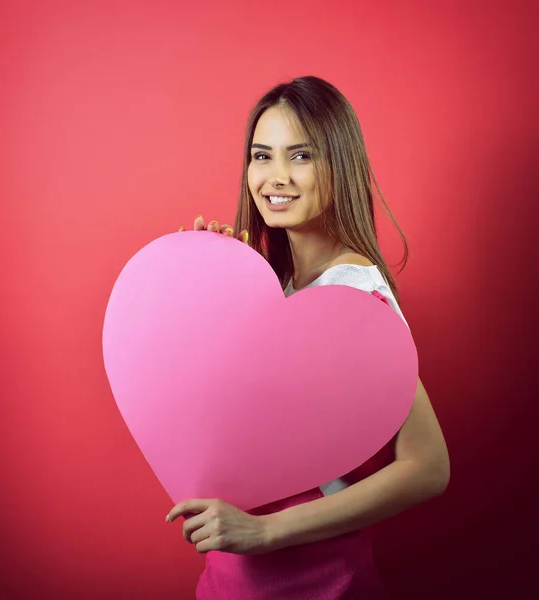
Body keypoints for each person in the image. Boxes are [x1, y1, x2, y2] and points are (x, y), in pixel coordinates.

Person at [167, 75, 450, 599]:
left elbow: (428, 466)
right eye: (261, 155)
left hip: (316, 581)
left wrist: (265, 530)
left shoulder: (354, 297)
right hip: (232, 576)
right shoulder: (287, 287)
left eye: (300, 156)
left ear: (338, 165)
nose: (276, 177)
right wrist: (206, 291)